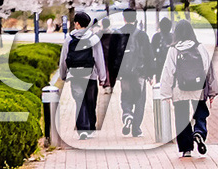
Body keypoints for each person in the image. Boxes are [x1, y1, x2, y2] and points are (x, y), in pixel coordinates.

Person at [158, 18, 218, 157]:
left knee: (182, 118)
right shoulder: (199, 47)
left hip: (180, 90)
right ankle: (199, 132)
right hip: (198, 89)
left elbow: (168, 72)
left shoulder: (173, 49)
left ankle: (186, 149)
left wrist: (165, 93)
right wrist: (212, 92)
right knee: (201, 114)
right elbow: (208, 70)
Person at [56, 10, 109, 139]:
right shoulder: (93, 38)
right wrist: (102, 78)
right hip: (90, 76)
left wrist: (63, 75)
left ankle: (82, 129)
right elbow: (99, 59)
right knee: (91, 102)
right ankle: (90, 128)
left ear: (77, 24)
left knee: (80, 101)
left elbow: (63, 59)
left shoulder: (69, 39)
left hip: (75, 75)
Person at [113, 9, 153, 137]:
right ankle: (136, 129)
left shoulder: (118, 33)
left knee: (126, 96)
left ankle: (127, 114)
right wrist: (150, 74)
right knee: (140, 100)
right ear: (135, 18)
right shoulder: (142, 35)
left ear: (124, 18)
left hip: (124, 74)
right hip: (139, 73)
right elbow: (149, 55)